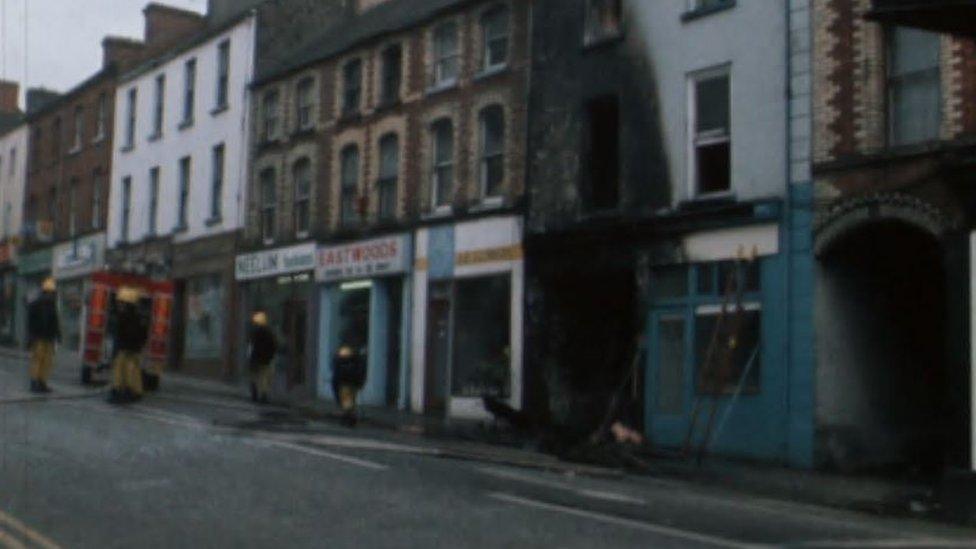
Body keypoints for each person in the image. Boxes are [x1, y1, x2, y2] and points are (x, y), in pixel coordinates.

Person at [108, 287, 149, 404]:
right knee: (134, 371)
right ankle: (135, 392)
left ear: (126, 303)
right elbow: (143, 334)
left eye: (120, 302)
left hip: (125, 349)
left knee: (121, 370)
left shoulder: (124, 317)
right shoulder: (138, 317)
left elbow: (121, 334)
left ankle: (120, 392)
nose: (119, 305)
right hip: (134, 349)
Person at [27, 277, 60, 393]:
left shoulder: (49, 304)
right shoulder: (38, 304)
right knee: (41, 360)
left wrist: (57, 335)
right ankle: (37, 382)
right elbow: (31, 322)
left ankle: (40, 382)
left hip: (45, 337)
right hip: (41, 337)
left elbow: (55, 321)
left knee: (44, 361)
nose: (51, 295)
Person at [332, 345, 366, 427]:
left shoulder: (345, 356)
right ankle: (349, 418)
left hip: (345, 382)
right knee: (349, 401)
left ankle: (348, 418)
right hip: (350, 382)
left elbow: (337, 368)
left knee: (347, 402)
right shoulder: (356, 357)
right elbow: (360, 369)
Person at [248, 311, 277, 404]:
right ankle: (263, 395)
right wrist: (271, 356)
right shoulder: (269, 333)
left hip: (256, 358)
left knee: (255, 376)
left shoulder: (254, 332)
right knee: (264, 377)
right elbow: (274, 345)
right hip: (266, 359)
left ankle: (255, 394)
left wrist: (251, 357)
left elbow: (251, 345)